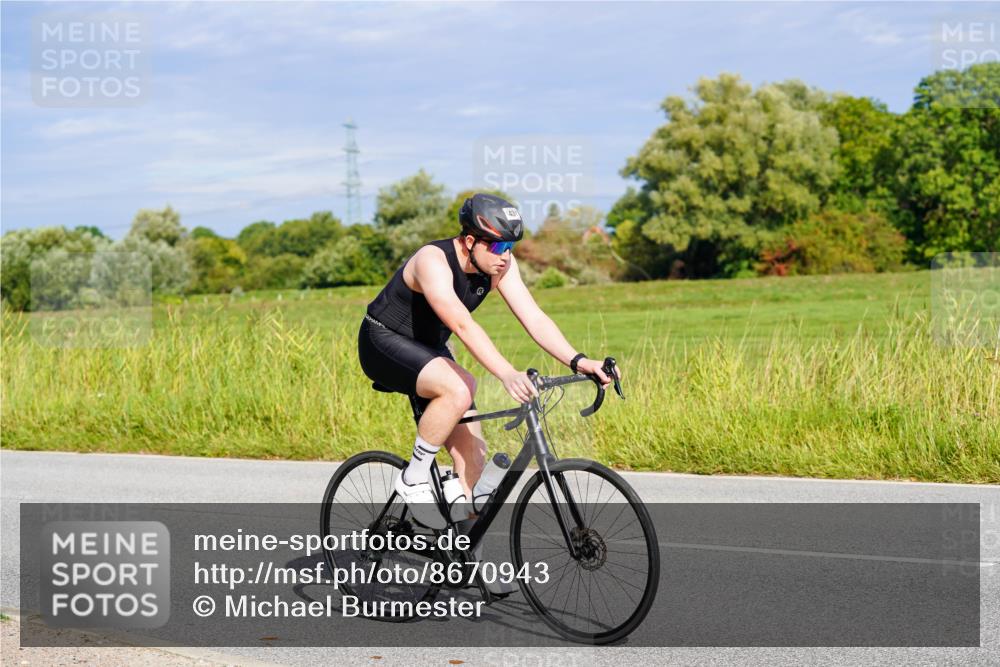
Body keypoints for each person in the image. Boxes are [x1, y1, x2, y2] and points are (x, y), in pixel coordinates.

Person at [357, 193, 619, 530]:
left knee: (474, 463)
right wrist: (506, 373)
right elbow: (462, 324)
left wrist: (579, 360)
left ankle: (467, 562)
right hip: (382, 343)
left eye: (511, 247)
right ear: (469, 241)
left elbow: (534, 317)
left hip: (430, 349)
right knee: (461, 386)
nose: (505, 256)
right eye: (497, 247)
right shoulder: (432, 260)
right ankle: (414, 477)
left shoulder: (500, 265)